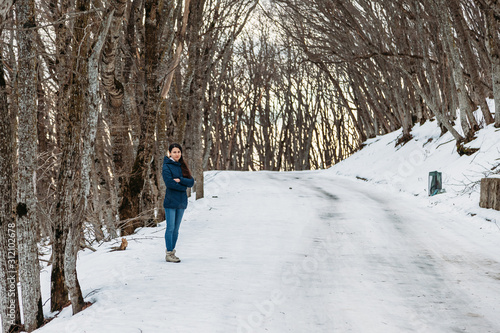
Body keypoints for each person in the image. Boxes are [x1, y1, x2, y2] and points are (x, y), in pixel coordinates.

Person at [162, 143, 194, 262]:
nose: (177, 154)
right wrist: (183, 187)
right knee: (170, 228)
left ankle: (173, 252)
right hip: (171, 201)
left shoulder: (182, 165)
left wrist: (181, 180)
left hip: (181, 201)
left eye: (179, 152)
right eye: (174, 152)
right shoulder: (166, 166)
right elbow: (169, 183)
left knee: (176, 229)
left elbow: (191, 182)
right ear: (169, 153)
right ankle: (169, 253)